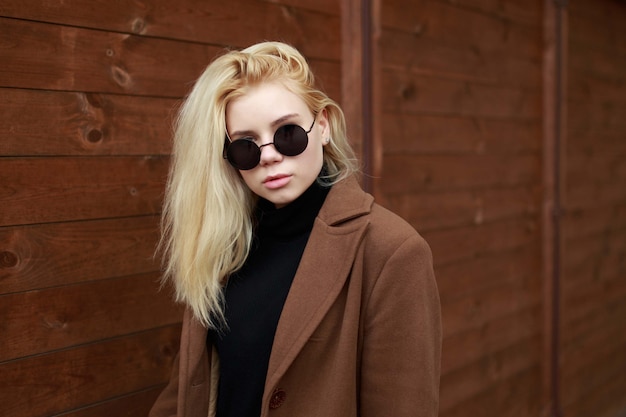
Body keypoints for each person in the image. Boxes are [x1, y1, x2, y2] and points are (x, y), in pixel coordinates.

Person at [149, 41, 441, 417]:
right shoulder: (225, 246)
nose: (269, 155)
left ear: (322, 127)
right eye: (245, 146)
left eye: (287, 133)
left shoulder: (391, 251)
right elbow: (188, 389)